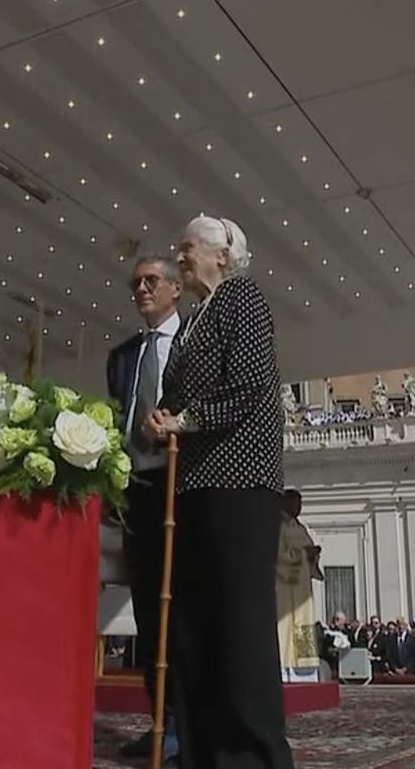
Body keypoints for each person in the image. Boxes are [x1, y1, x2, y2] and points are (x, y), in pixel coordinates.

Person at [143, 216, 293, 769]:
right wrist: (162, 417)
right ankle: (202, 751)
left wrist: (187, 419)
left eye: (186, 249)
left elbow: (250, 387)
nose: (178, 258)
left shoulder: (243, 299)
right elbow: (174, 391)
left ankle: (253, 755)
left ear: (223, 256)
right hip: (193, 485)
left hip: (240, 482)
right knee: (193, 621)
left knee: (239, 619)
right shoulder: (191, 319)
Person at [106, 256, 185, 763]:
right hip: (135, 490)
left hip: (183, 490)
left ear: (176, 288)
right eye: (135, 283)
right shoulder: (122, 357)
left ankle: (187, 723)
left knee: (179, 609)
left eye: (150, 281)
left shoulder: (194, 343)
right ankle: (161, 722)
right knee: (146, 612)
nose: (141, 290)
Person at [274, 490, 322, 682]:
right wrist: (303, 554)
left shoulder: (301, 528)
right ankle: (286, 669)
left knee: (303, 623)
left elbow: (307, 550)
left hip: (302, 589)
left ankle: (306, 669)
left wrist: (313, 554)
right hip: (285, 587)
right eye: (296, 503)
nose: (299, 507)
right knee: (285, 626)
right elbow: (277, 556)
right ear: (286, 503)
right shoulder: (277, 527)